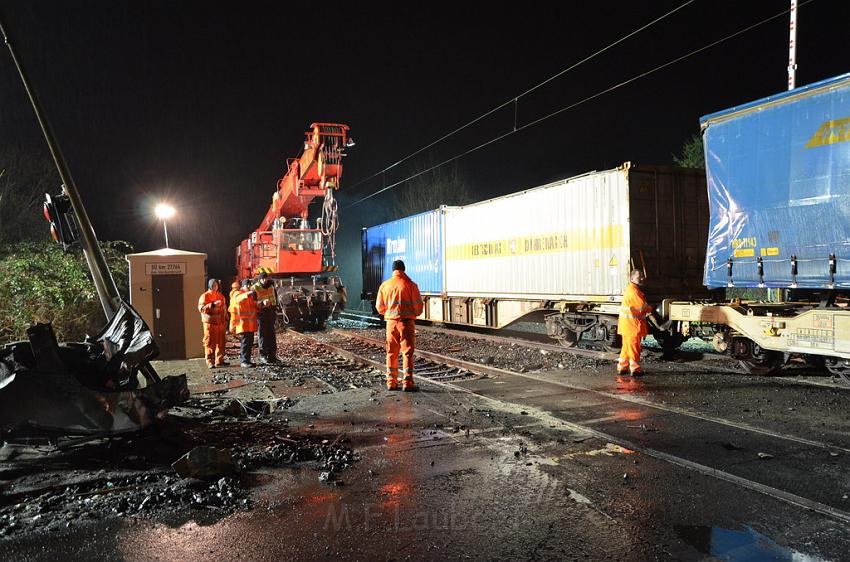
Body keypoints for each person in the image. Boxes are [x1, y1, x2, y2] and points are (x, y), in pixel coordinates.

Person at [376, 260, 424, 391]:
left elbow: (379, 308)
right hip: (406, 323)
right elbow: (419, 309)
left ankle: (391, 382)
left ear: (393, 271)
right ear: (404, 269)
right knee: (407, 353)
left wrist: (390, 313)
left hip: (391, 324)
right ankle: (407, 383)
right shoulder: (410, 285)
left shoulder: (384, 286)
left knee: (391, 352)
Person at [617, 269, 653, 376]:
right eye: (639, 277)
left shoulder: (631, 289)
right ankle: (635, 368)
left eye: (642, 276)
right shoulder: (634, 291)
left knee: (627, 346)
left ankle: (622, 366)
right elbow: (643, 307)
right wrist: (652, 308)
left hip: (627, 325)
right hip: (632, 325)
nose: (641, 278)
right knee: (634, 346)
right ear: (632, 278)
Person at [198, 279, 228, 369]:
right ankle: (210, 361)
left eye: (216, 285)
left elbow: (224, 308)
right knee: (210, 342)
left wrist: (226, 317)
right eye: (214, 285)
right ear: (210, 285)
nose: (216, 286)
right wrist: (212, 305)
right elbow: (201, 308)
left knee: (221, 342)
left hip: (220, 324)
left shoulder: (221, 296)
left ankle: (219, 360)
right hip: (210, 324)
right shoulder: (205, 296)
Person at [229, 280, 258, 368]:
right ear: (243, 286)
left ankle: (247, 360)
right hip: (243, 325)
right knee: (245, 343)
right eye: (247, 286)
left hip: (250, 325)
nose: (249, 287)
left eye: (249, 285)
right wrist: (248, 294)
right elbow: (238, 298)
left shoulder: (249, 296)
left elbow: (254, 307)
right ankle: (244, 361)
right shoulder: (238, 293)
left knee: (249, 343)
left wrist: (260, 304)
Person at [251, 271, 279, 364]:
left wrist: (274, 309)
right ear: (260, 279)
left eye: (265, 278)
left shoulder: (271, 287)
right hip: (261, 313)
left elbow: (274, 299)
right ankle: (263, 355)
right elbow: (252, 303)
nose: (264, 280)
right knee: (263, 335)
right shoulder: (255, 288)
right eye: (263, 279)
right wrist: (262, 303)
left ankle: (272, 355)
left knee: (271, 334)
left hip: (270, 312)